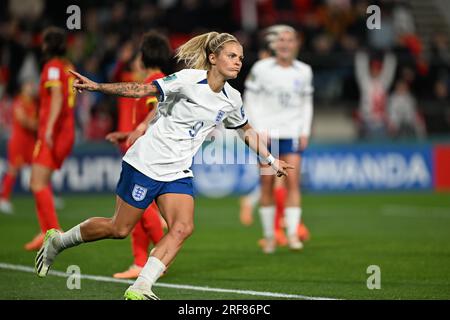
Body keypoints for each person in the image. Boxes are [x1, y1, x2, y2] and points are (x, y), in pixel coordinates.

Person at [34, 31, 294, 300]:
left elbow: (246, 130)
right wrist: (99, 87)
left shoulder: (232, 98)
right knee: (119, 229)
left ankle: (141, 286)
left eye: (240, 57)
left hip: (178, 170)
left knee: (183, 227)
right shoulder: (188, 79)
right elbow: (141, 90)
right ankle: (59, 241)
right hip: (146, 163)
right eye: (231, 56)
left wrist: (271, 160)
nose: (238, 61)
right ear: (213, 58)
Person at [105, 31, 170, 279]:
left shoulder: (155, 80)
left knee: (141, 207)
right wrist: (127, 132)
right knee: (139, 209)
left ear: (145, 55)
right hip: (144, 149)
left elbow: (157, 110)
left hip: (148, 153)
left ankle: (161, 255)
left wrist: (139, 128)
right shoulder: (158, 79)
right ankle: (140, 261)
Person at [244, 25, 313, 254]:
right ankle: (270, 237)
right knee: (267, 184)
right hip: (267, 135)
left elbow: (306, 103)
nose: (285, 44)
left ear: (296, 44)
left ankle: (292, 234)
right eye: (281, 40)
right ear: (274, 44)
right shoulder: (261, 69)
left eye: (289, 40)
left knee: (293, 182)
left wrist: (305, 130)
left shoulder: (304, 71)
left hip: (292, 133)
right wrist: (257, 129)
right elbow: (250, 99)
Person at [25, 27, 76, 251]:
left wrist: (49, 127)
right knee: (40, 182)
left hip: (54, 130)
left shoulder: (52, 67)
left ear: (48, 45)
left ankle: (53, 232)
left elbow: (56, 96)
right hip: (67, 129)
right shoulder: (68, 67)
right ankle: (46, 230)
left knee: (37, 182)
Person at [0, 80, 38, 214]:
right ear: (23, 88)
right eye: (29, 85)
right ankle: (3, 199)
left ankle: (45, 196)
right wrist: (39, 126)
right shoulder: (19, 102)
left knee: (40, 166)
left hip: (30, 141)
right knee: (13, 168)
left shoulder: (33, 102)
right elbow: (23, 121)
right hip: (19, 140)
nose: (32, 87)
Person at [355, 51, 397, 139]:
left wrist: (390, 56)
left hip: (381, 122)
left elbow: (389, 71)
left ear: (380, 71)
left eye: (377, 70)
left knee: (382, 145)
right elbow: (360, 70)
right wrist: (361, 55)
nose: (375, 71)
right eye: (373, 69)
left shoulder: (383, 82)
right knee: (366, 144)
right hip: (367, 121)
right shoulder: (365, 82)